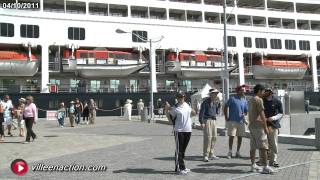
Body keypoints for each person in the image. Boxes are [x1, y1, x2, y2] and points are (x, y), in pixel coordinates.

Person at [166, 91, 196, 175]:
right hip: (179, 130)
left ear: (184, 97)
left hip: (188, 130)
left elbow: (193, 113)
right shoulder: (175, 108)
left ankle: (182, 166)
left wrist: (193, 109)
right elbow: (170, 120)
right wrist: (166, 110)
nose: (181, 99)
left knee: (183, 150)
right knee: (179, 150)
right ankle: (179, 168)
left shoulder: (187, 105)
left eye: (182, 97)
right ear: (177, 98)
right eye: (179, 97)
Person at [248, 84, 274, 174]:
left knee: (253, 147)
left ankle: (253, 165)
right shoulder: (259, 100)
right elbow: (262, 113)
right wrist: (265, 127)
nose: (264, 93)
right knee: (263, 147)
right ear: (259, 90)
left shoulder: (250, 99)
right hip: (259, 126)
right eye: (263, 91)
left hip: (252, 126)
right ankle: (265, 167)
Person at [224, 85, 248, 159]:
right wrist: (226, 117)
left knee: (240, 137)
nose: (243, 91)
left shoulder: (244, 100)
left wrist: (244, 114)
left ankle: (238, 152)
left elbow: (246, 111)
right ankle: (230, 152)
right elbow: (225, 107)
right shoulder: (232, 98)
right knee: (232, 136)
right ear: (238, 91)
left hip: (241, 121)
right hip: (232, 121)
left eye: (244, 90)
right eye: (242, 90)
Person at [199, 88, 221, 162]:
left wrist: (219, 105)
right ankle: (205, 155)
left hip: (214, 120)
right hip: (207, 120)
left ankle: (211, 153)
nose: (216, 95)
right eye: (214, 93)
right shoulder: (205, 102)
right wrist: (201, 122)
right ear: (211, 94)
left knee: (214, 137)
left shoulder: (215, 102)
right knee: (208, 138)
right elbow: (201, 112)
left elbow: (217, 112)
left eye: (216, 93)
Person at [263, 88, 283, 168]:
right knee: (264, 143)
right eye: (264, 91)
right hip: (263, 125)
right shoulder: (262, 100)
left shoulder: (277, 101)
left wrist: (273, 118)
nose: (265, 93)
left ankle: (273, 161)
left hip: (272, 125)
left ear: (270, 93)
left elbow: (281, 113)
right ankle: (263, 159)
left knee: (273, 143)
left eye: (266, 91)